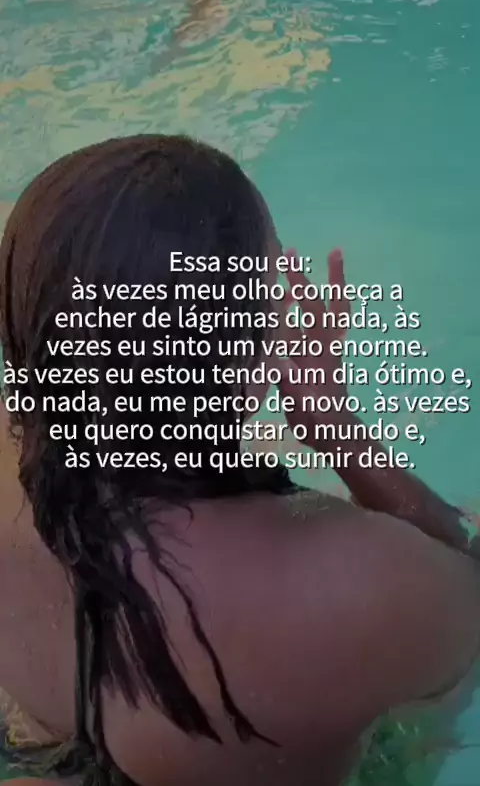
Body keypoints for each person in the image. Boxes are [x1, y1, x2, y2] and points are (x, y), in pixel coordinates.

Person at [0, 133, 479, 786]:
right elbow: (466, 601)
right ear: (247, 368)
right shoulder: (355, 577)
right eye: (273, 285)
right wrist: (337, 429)